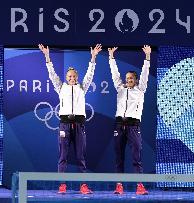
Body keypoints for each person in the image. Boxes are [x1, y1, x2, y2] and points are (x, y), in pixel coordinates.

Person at [38, 44, 102, 194]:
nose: (72, 78)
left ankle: (83, 185)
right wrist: (47, 56)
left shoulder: (82, 87)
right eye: (69, 77)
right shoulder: (61, 87)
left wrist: (93, 57)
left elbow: (90, 75)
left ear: (77, 78)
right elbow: (52, 74)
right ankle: (62, 185)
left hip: (79, 125)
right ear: (66, 78)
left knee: (81, 156)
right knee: (63, 156)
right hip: (64, 125)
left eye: (74, 76)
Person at [108, 45, 151, 195]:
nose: (128, 80)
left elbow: (145, 74)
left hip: (133, 126)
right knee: (119, 157)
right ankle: (119, 185)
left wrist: (147, 57)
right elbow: (115, 75)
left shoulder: (141, 89)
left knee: (136, 157)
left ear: (136, 80)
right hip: (119, 126)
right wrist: (111, 58)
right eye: (127, 79)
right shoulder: (120, 89)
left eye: (131, 78)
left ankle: (139, 186)